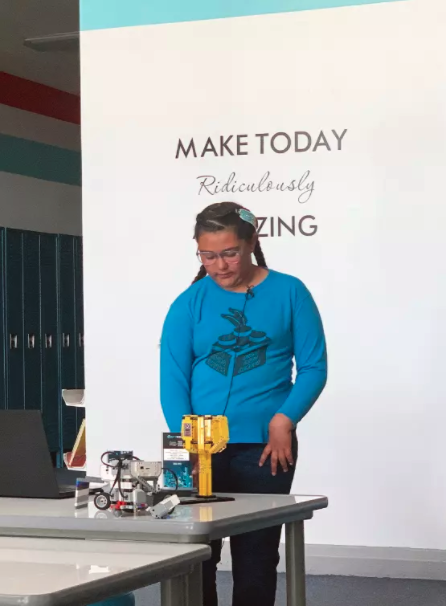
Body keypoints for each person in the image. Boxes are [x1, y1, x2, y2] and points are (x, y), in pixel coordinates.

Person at [160, 201, 327, 606]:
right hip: (198, 447)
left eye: (230, 253)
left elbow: (313, 367)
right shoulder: (189, 302)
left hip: (266, 448)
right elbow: (173, 379)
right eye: (208, 255)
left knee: (256, 555)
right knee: (195, 554)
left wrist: (284, 420)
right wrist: (188, 444)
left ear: (252, 242)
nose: (220, 265)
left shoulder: (290, 292)